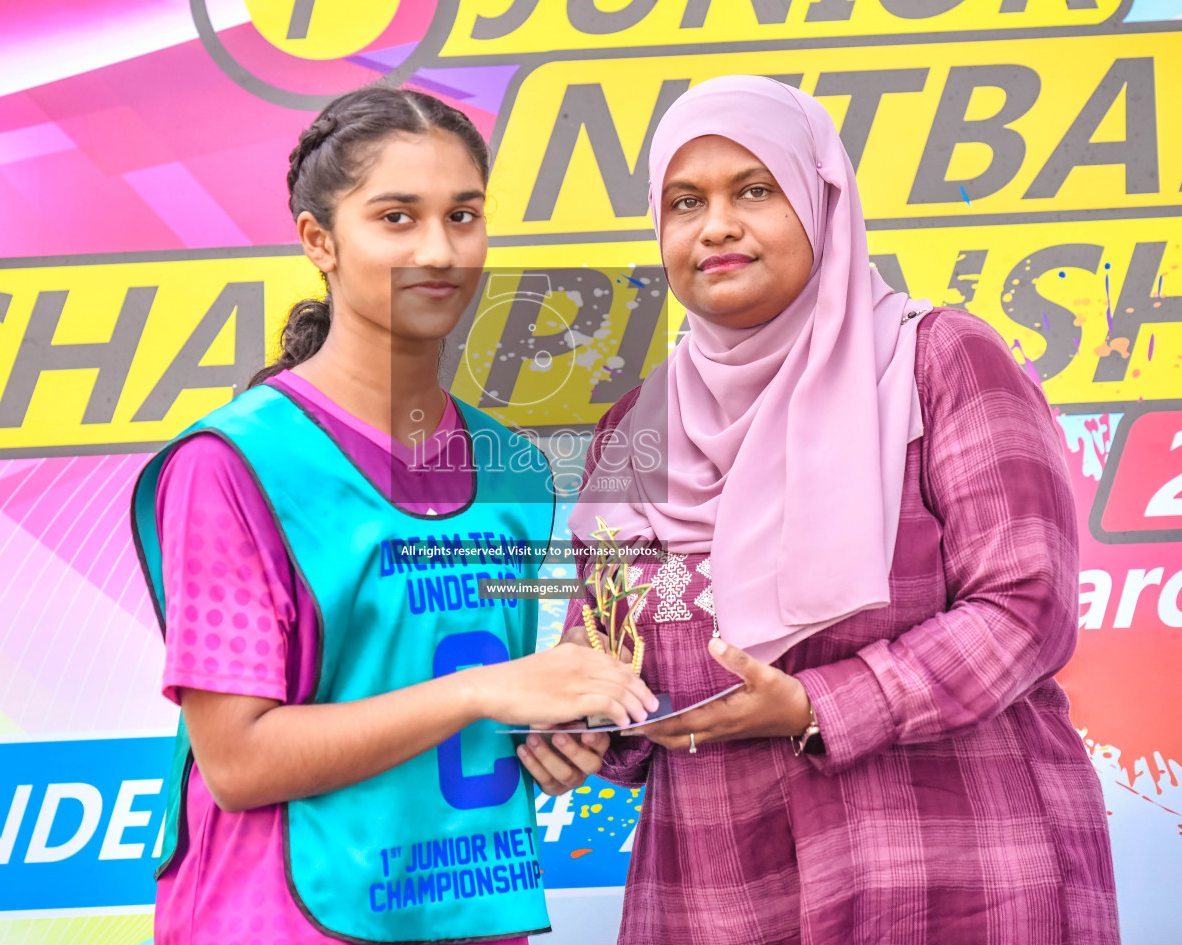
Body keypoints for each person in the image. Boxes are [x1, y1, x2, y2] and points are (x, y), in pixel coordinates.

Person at [564, 75, 1119, 944]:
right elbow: (602, 645)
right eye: (684, 201)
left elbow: (1025, 608)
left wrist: (823, 704)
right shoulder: (635, 431)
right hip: (718, 891)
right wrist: (582, 724)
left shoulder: (939, 362)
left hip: (953, 874)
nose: (715, 225)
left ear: (823, 205)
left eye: (755, 191)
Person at [131, 85, 658, 945]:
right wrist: (480, 691)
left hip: (472, 914)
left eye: (463, 214)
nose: (439, 250)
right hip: (282, 917)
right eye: (397, 218)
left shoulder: (519, 470)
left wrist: (551, 732)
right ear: (319, 241)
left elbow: (486, 695)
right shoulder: (231, 465)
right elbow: (237, 761)